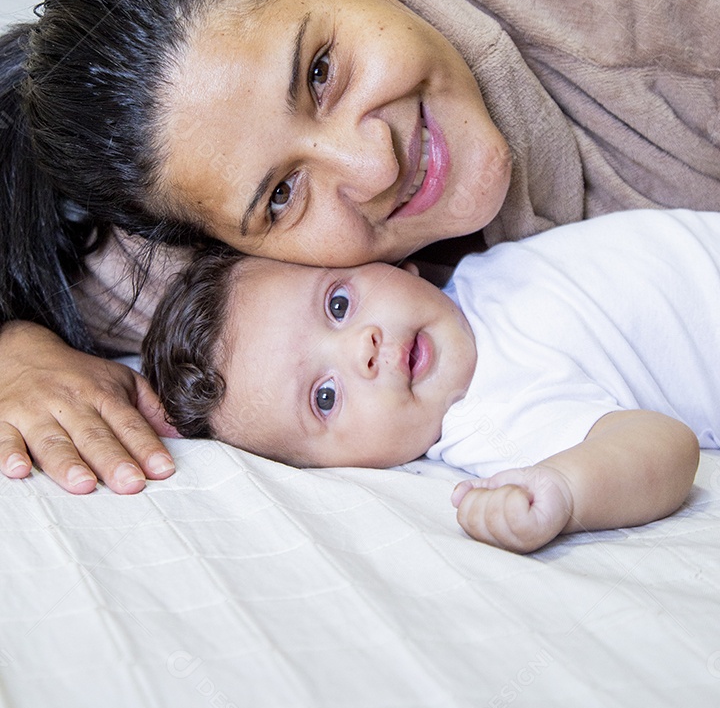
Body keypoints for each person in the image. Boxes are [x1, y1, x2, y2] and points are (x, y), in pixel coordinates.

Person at [1, 0, 719, 494]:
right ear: (232, 248)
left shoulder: (651, 8)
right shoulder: (232, 269)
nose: (374, 165)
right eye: (281, 195)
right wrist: (17, 350)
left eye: (319, 74)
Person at [141, 208, 715, 554]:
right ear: (342, 468)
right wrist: (565, 492)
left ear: (389, 264)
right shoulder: (489, 416)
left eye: (338, 304)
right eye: (325, 397)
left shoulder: (473, 278)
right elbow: (666, 448)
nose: (362, 348)